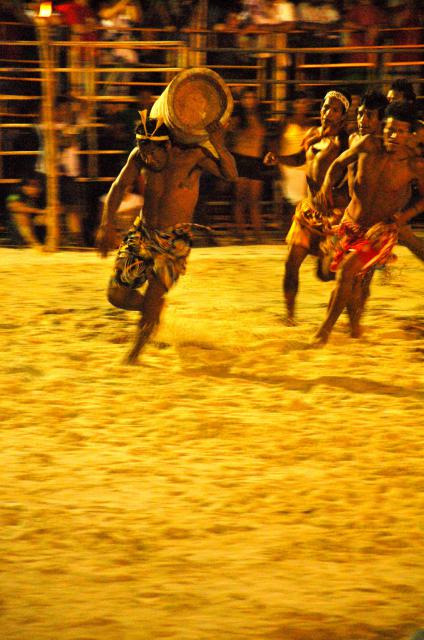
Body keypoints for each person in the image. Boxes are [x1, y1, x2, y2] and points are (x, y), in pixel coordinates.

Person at [96, 109, 238, 364]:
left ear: (169, 146)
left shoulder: (194, 157)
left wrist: (219, 146)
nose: (148, 156)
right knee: (116, 296)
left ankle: (134, 354)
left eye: (153, 151)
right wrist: (107, 224)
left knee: (153, 294)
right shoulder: (140, 157)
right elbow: (118, 186)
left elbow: (231, 175)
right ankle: (152, 311)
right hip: (144, 233)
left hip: (175, 240)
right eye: (143, 149)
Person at [312, 101, 424, 346]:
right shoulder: (366, 145)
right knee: (340, 277)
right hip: (350, 224)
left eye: (401, 132)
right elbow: (338, 164)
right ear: (383, 127)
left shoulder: (415, 165)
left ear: (409, 135)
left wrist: (401, 219)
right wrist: (324, 188)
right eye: (390, 129)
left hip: (380, 232)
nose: (394, 136)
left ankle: (323, 333)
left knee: (348, 271)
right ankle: (354, 330)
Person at [264, 89, 351, 324]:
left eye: (334, 110)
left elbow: (354, 177)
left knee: (329, 274)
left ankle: (350, 308)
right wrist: (279, 159)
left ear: (343, 116)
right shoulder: (314, 134)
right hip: (308, 212)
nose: (328, 113)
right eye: (325, 107)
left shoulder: (345, 143)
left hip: (332, 219)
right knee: (291, 263)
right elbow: (302, 159)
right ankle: (290, 317)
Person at [227, 87, 268, 242]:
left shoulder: (261, 118)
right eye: (246, 98)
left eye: (252, 98)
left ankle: (258, 233)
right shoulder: (237, 119)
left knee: (255, 200)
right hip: (241, 159)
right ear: (242, 101)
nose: (250, 101)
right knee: (240, 199)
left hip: (256, 160)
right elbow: (228, 136)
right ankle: (241, 232)